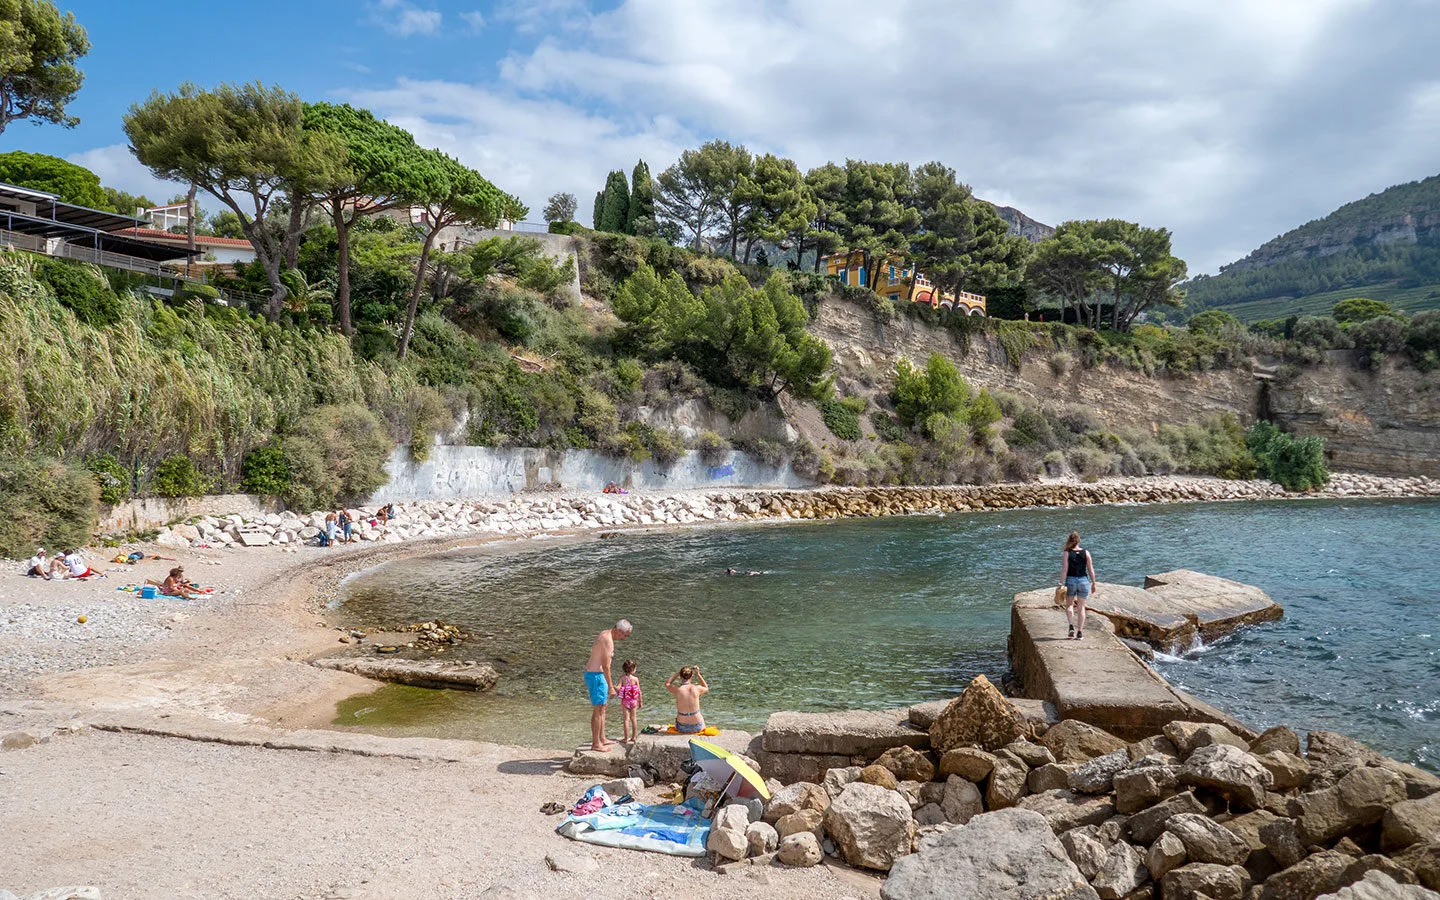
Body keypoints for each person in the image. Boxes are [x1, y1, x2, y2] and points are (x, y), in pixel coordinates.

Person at [584, 619, 632, 752]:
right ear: (617, 630)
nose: (624, 638)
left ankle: (602, 738)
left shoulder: (606, 634)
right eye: (624, 635)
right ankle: (596, 743)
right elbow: (606, 666)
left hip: (597, 676)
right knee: (599, 709)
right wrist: (611, 687)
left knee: (603, 707)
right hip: (596, 677)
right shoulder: (608, 640)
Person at [1058, 531, 1097, 640]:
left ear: (1069, 541)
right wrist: (1094, 583)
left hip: (1071, 580)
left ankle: (1071, 626)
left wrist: (1060, 583)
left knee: (1069, 605)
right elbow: (1090, 569)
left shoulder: (1067, 552)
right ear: (1079, 541)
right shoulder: (1086, 552)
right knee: (1081, 607)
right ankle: (1079, 632)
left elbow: (1064, 570)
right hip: (1084, 581)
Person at [665, 665, 709, 734]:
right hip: (698, 726)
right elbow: (706, 687)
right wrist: (698, 674)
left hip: (681, 727)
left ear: (680, 676)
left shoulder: (677, 690)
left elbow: (667, 683)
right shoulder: (696, 689)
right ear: (691, 677)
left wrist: (678, 673)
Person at [617, 659, 643, 743]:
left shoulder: (622, 678)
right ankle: (634, 737)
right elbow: (639, 691)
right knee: (634, 718)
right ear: (633, 669)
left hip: (625, 702)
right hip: (634, 701)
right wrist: (640, 702)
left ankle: (625, 738)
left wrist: (612, 687)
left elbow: (618, 687)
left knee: (626, 720)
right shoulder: (635, 679)